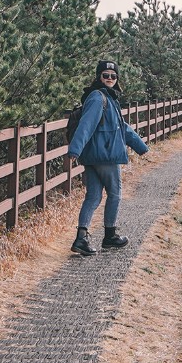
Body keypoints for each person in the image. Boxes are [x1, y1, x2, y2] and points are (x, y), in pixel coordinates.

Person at [66, 59, 148, 256]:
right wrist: (74, 149)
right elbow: (87, 125)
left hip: (94, 156)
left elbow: (123, 129)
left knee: (93, 196)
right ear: (98, 77)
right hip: (105, 155)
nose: (110, 78)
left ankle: (81, 238)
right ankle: (110, 235)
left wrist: (141, 147)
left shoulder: (109, 99)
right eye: (106, 75)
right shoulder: (98, 98)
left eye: (113, 76)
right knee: (115, 193)